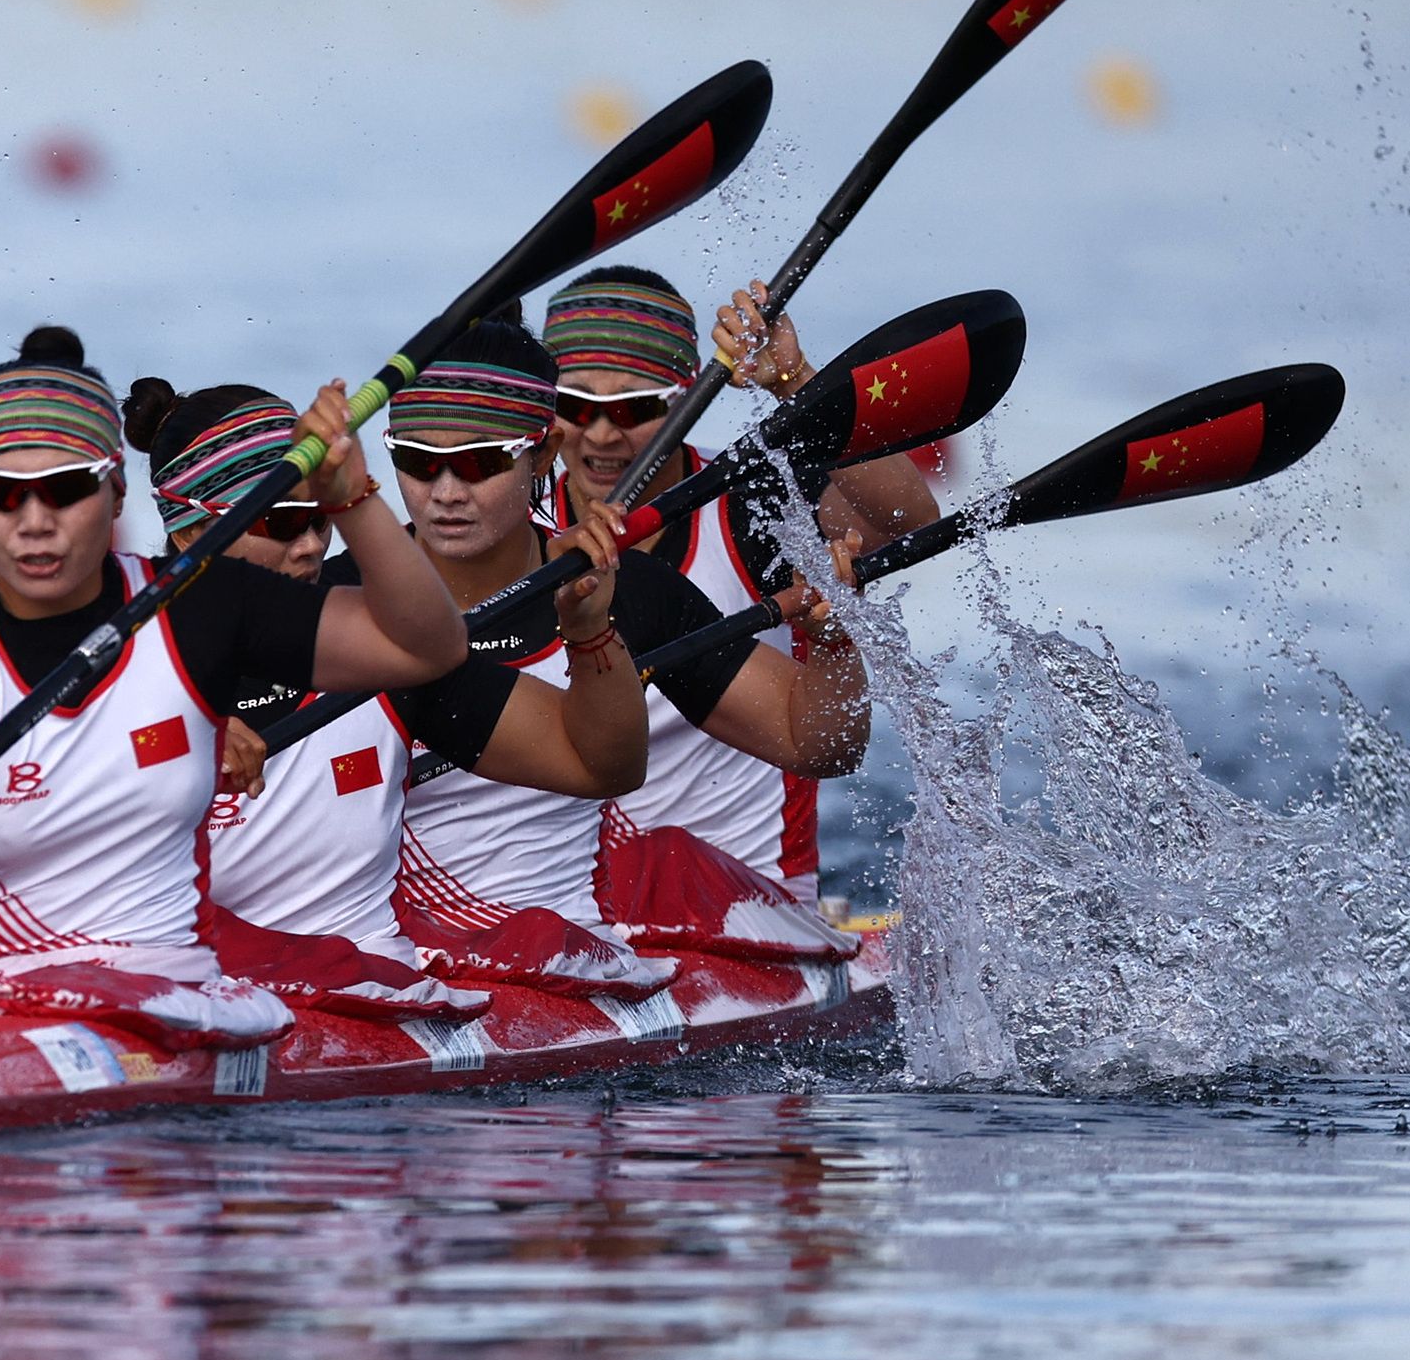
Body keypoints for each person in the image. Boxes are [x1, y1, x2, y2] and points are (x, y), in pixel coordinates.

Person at [0, 326, 467, 1041]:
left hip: (171, 1006)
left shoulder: (200, 605)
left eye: (64, 490)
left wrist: (355, 500)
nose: (34, 523)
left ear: (117, 490)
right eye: (2, 494)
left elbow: (427, 647)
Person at [120, 373, 662, 1005]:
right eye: (281, 524)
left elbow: (603, 766)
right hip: (182, 987)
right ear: (191, 534)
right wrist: (167, 745)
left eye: (320, 521)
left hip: (367, 999)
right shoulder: (109, 670)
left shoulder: (378, 657)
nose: (310, 549)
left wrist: (589, 632)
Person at [379, 321, 869, 984]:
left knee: (660, 858)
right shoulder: (338, 607)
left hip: (568, 950)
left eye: (479, 462)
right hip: (392, 943)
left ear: (544, 451)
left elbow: (820, 745)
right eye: (414, 459)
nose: (444, 492)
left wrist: (835, 642)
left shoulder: (624, 592)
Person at [540, 268, 933, 900]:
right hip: (571, 910)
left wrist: (795, 383)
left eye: (635, 409)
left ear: (686, 400)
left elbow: (907, 526)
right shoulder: (510, 524)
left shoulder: (752, 498)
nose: (602, 435)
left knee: (663, 863)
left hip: (749, 906)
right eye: (575, 407)